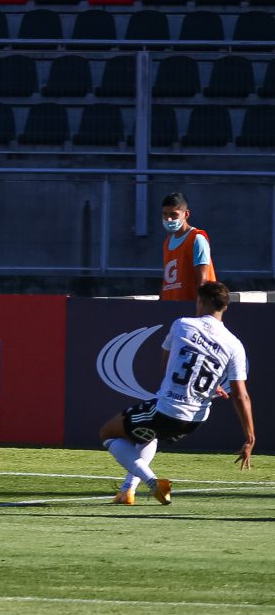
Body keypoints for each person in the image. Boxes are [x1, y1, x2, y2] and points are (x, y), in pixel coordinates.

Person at [100, 282, 255, 505]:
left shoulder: (183, 324)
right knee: (148, 434)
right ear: (225, 307)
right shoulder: (235, 344)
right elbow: (241, 395)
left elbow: (168, 364)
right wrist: (250, 437)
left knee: (108, 433)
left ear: (200, 302)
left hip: (168, 408)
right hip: (195, 420)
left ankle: (154, 483)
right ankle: (127, 491)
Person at [160, 192, 217, 301]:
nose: (168, 219)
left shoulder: (197, 238)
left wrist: (200, 308)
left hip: (190, 307)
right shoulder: (167, 242)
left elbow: (203, 282)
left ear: (186, 214)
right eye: (165, 214)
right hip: (171, 306)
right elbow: (166, 281)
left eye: (173, 214)